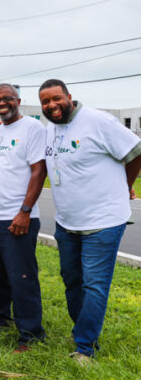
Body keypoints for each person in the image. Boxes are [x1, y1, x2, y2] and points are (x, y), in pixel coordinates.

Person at [39, 78, 141, 363]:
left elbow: (135, 152)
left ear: (69, 96)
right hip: (67, 222)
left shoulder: (99, 121)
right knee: (71, 281)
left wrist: (125, 184)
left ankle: (85, 348)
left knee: (94, 284)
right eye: (45, 101)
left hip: (104, 220)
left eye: (55, 98)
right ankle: (82, 330)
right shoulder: (50, 129)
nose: (51, 105)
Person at [0, 84, 47, 353]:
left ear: (18, 100)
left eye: (7, 99)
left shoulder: (33, 128)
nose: (1, 103)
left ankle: (31, 335)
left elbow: (39, 170)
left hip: (17, 217)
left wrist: (25, 211)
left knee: (22, 277)